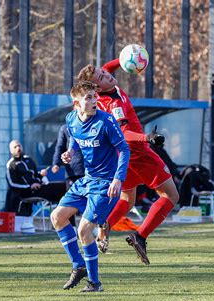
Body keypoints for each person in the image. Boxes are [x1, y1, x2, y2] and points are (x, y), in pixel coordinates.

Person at [77, 60, 179, 265]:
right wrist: (147, 138)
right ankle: (140, 236)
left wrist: (127, 58)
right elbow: (123, 133)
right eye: (101, 77)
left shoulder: (106, 84)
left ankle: (105, 224)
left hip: (121, 156)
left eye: (104, 72)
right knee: (171, 195)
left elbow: (110, 67)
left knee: (127, 199)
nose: (106, 75)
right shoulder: (114, 104)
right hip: (138, 154)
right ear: (97, 87)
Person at [50, 81, 130, 292]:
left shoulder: (106, 121)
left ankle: (94, 283)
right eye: (89, 98)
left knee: (84, 229)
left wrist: (117, 179)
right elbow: (75, 140)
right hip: (86, 180)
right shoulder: (71, 120)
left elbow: (124, 149)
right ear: (76, 103)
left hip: (105, 184)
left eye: (95, 96)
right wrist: (70, 152)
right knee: (57, 217)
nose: (95, 101)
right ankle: (79, 266)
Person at [5, 140, 64, 215]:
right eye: (15, 147)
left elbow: (35, 176)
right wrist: (29, 186)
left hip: (38, 188)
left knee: (63, 187)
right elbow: (12, 184)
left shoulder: (28, 159)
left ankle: (65, 220)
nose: (18, 148)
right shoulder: (11, 165)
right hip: (26, 192)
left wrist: (41, 175)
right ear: (11, 151)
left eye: (19, 146)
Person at [52, 123, 85, 226]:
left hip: (89, 170)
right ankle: (72, 227)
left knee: (90, 200)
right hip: (72, 171)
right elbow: (60, 146)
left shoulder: (93, 124)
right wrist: (56, 163)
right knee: (70, 201)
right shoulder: (65, 128)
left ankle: (91, 227)